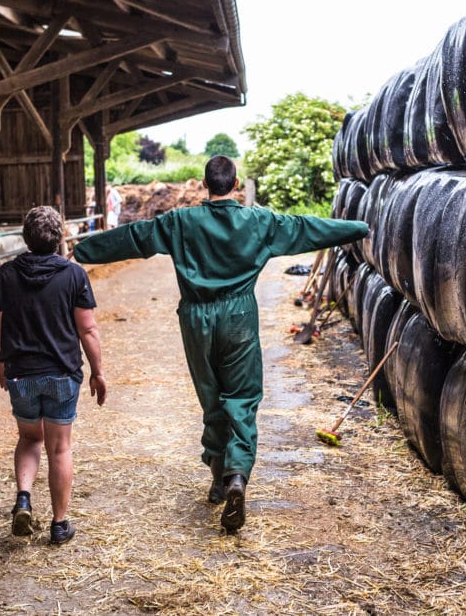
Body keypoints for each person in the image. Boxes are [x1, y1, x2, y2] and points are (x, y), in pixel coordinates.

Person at [73, 155, 368, 533]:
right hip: (239, 317)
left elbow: (134, 238)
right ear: (237, 184)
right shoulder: (259, 221)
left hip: (196, 319)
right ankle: (236, 477)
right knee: (242, 398)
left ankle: (217, 477)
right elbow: (310, 228)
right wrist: (359, 227)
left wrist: (83, 251)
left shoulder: (180, 222)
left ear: (202, 184)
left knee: (212, 398)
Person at [0, 205, 107, 545]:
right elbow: (87, 331)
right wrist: (97, 372)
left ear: (26, 238)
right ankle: (59, 524)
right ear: (59, 238)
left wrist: (2, 361)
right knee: (59, 448)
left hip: (21, 374)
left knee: (29, 438)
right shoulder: (73, 275)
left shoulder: (6, 274)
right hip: (61, 373)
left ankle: (24, 498)